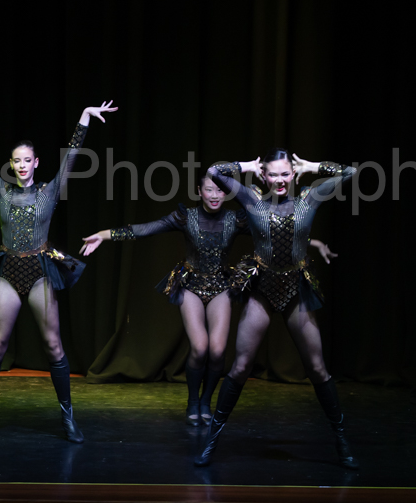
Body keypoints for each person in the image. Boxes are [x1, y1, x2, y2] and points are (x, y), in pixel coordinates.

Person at [80, 174, 338, 426]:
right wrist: (104, 234)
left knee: (217, 351)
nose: (215, 195)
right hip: (191, 285)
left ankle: (206, 401)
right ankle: (193, 401)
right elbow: (147, 228)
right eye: (209, 190)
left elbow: (276, 233)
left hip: (221, 286)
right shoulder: (185, 217)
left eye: (220, 190)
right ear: (199, 191)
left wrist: (313, 242)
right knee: (200, 347)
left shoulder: (235, 219)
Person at [0, 92, 117, 443]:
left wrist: (85, 117)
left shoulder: (48, 192)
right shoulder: (2, 192)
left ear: (36, 162)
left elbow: (71, 157)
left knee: (53, 345)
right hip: (9, 270)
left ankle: (68, 418)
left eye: (27, 160)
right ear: (11, 165)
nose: (22, 165)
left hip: (40, 271)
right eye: (17, 161)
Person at [194, 151, 357, 469]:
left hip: (296, 290)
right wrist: (246, 166)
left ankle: (341, 440)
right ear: (264, 176)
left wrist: (313, 166)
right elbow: (214, 171)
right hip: (263, 290)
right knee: (240, 367)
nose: (280, 180)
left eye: (285, 174)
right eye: (273, 174)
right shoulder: (251, 199)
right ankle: (211, 441)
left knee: (317, 368)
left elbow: (349, 172)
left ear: (293, 175)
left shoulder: (309, 198)